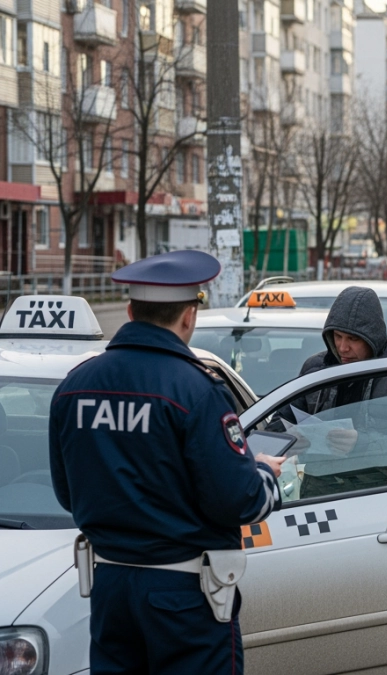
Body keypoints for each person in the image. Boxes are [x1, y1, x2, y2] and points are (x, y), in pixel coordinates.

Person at [48, 250, 284, 675]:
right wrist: (265, 473)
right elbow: (238, 501)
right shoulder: (195, 390)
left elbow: (68, 492)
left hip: (110, 588)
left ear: (130, 310)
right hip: (184, 596)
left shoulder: (74, 386)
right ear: (188, 316)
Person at [274, 286, 387, 496]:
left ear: (372, 336)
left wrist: (361, 444)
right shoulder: (316, 369)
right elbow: (277, 425)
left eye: (353, 339)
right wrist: (290, 440)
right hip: (318, 496)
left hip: (381, 495)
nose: (343, 347)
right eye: (337, 336)